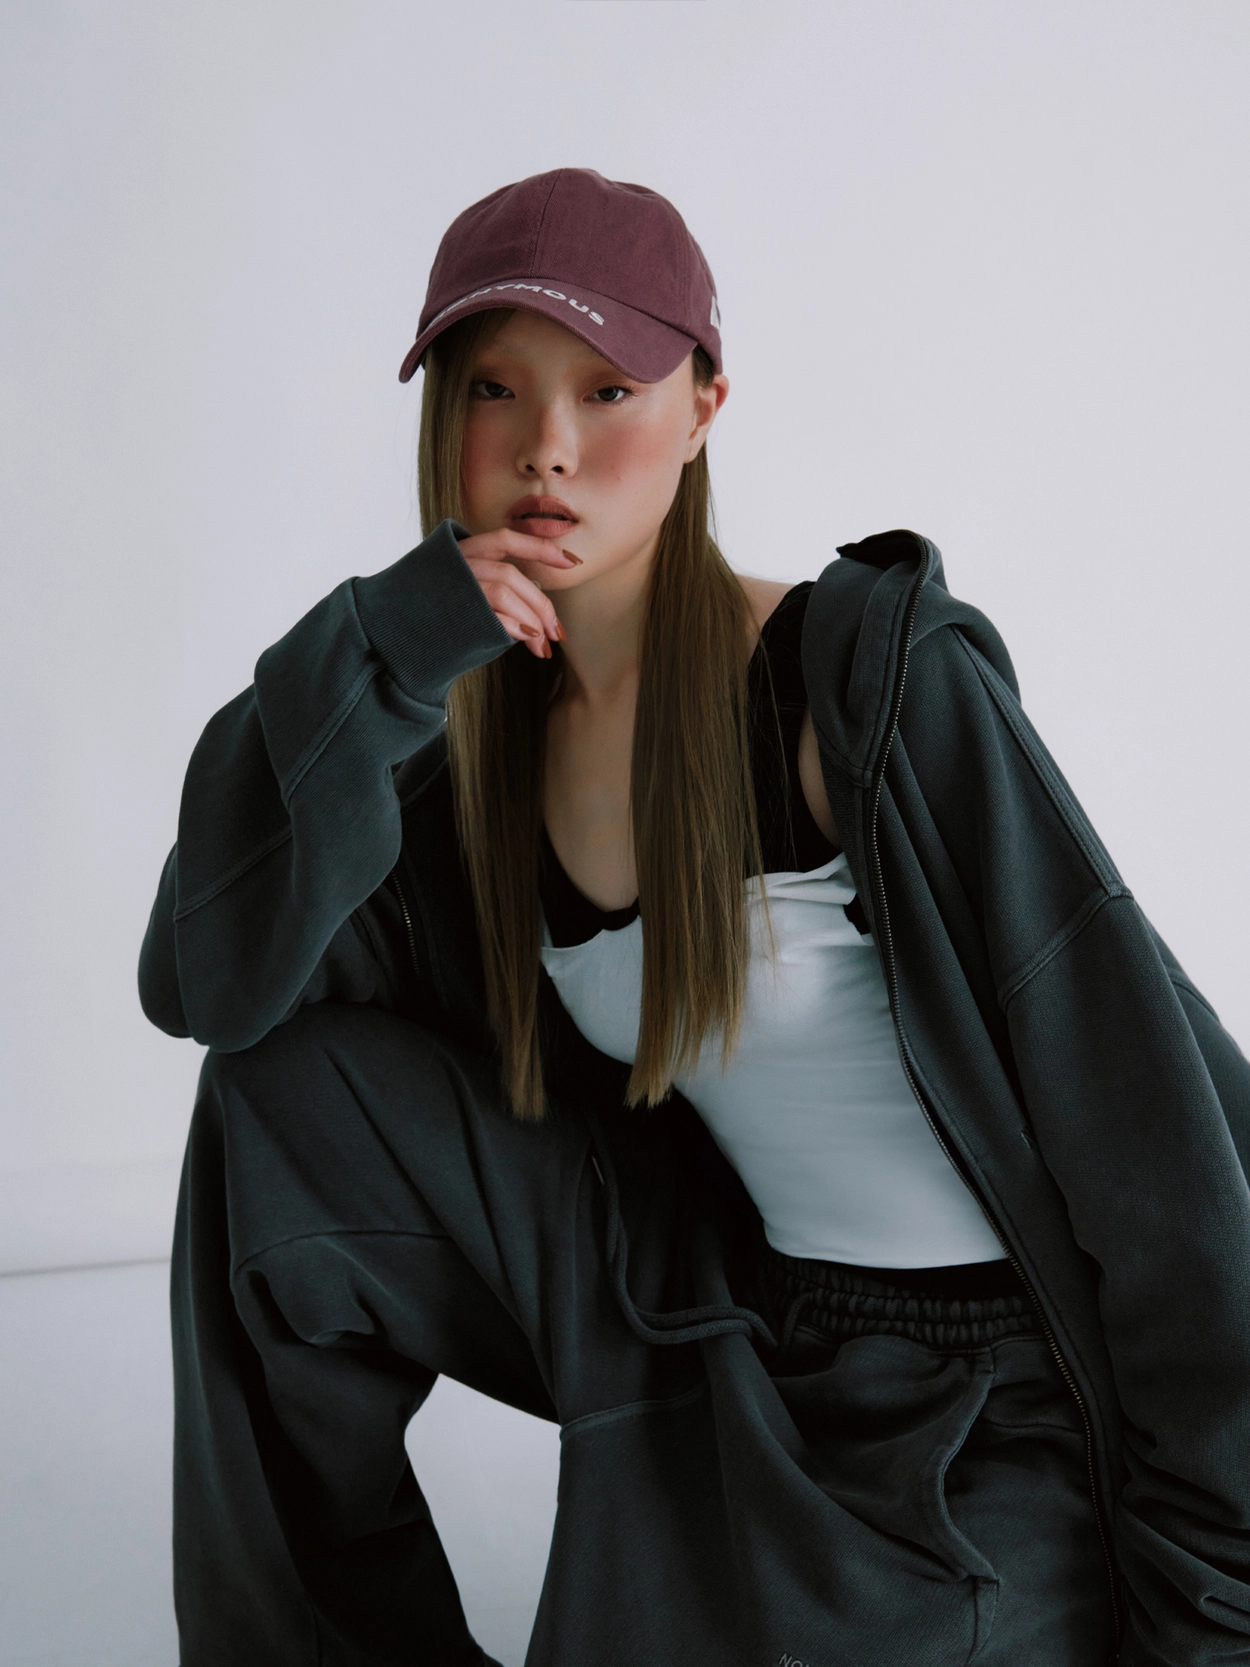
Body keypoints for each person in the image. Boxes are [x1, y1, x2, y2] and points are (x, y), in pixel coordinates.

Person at [139, 168, 1250, 1667]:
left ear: (704, 407)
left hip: (990, 1405)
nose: (546, 446)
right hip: (731, 1326)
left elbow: (1158, 1144)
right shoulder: (464, 764)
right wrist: (383, 650)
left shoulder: (862, 686)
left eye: (608, 388)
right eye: (493, 390)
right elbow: (209, 984)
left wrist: (1211, 1612)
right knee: (272, 1104)